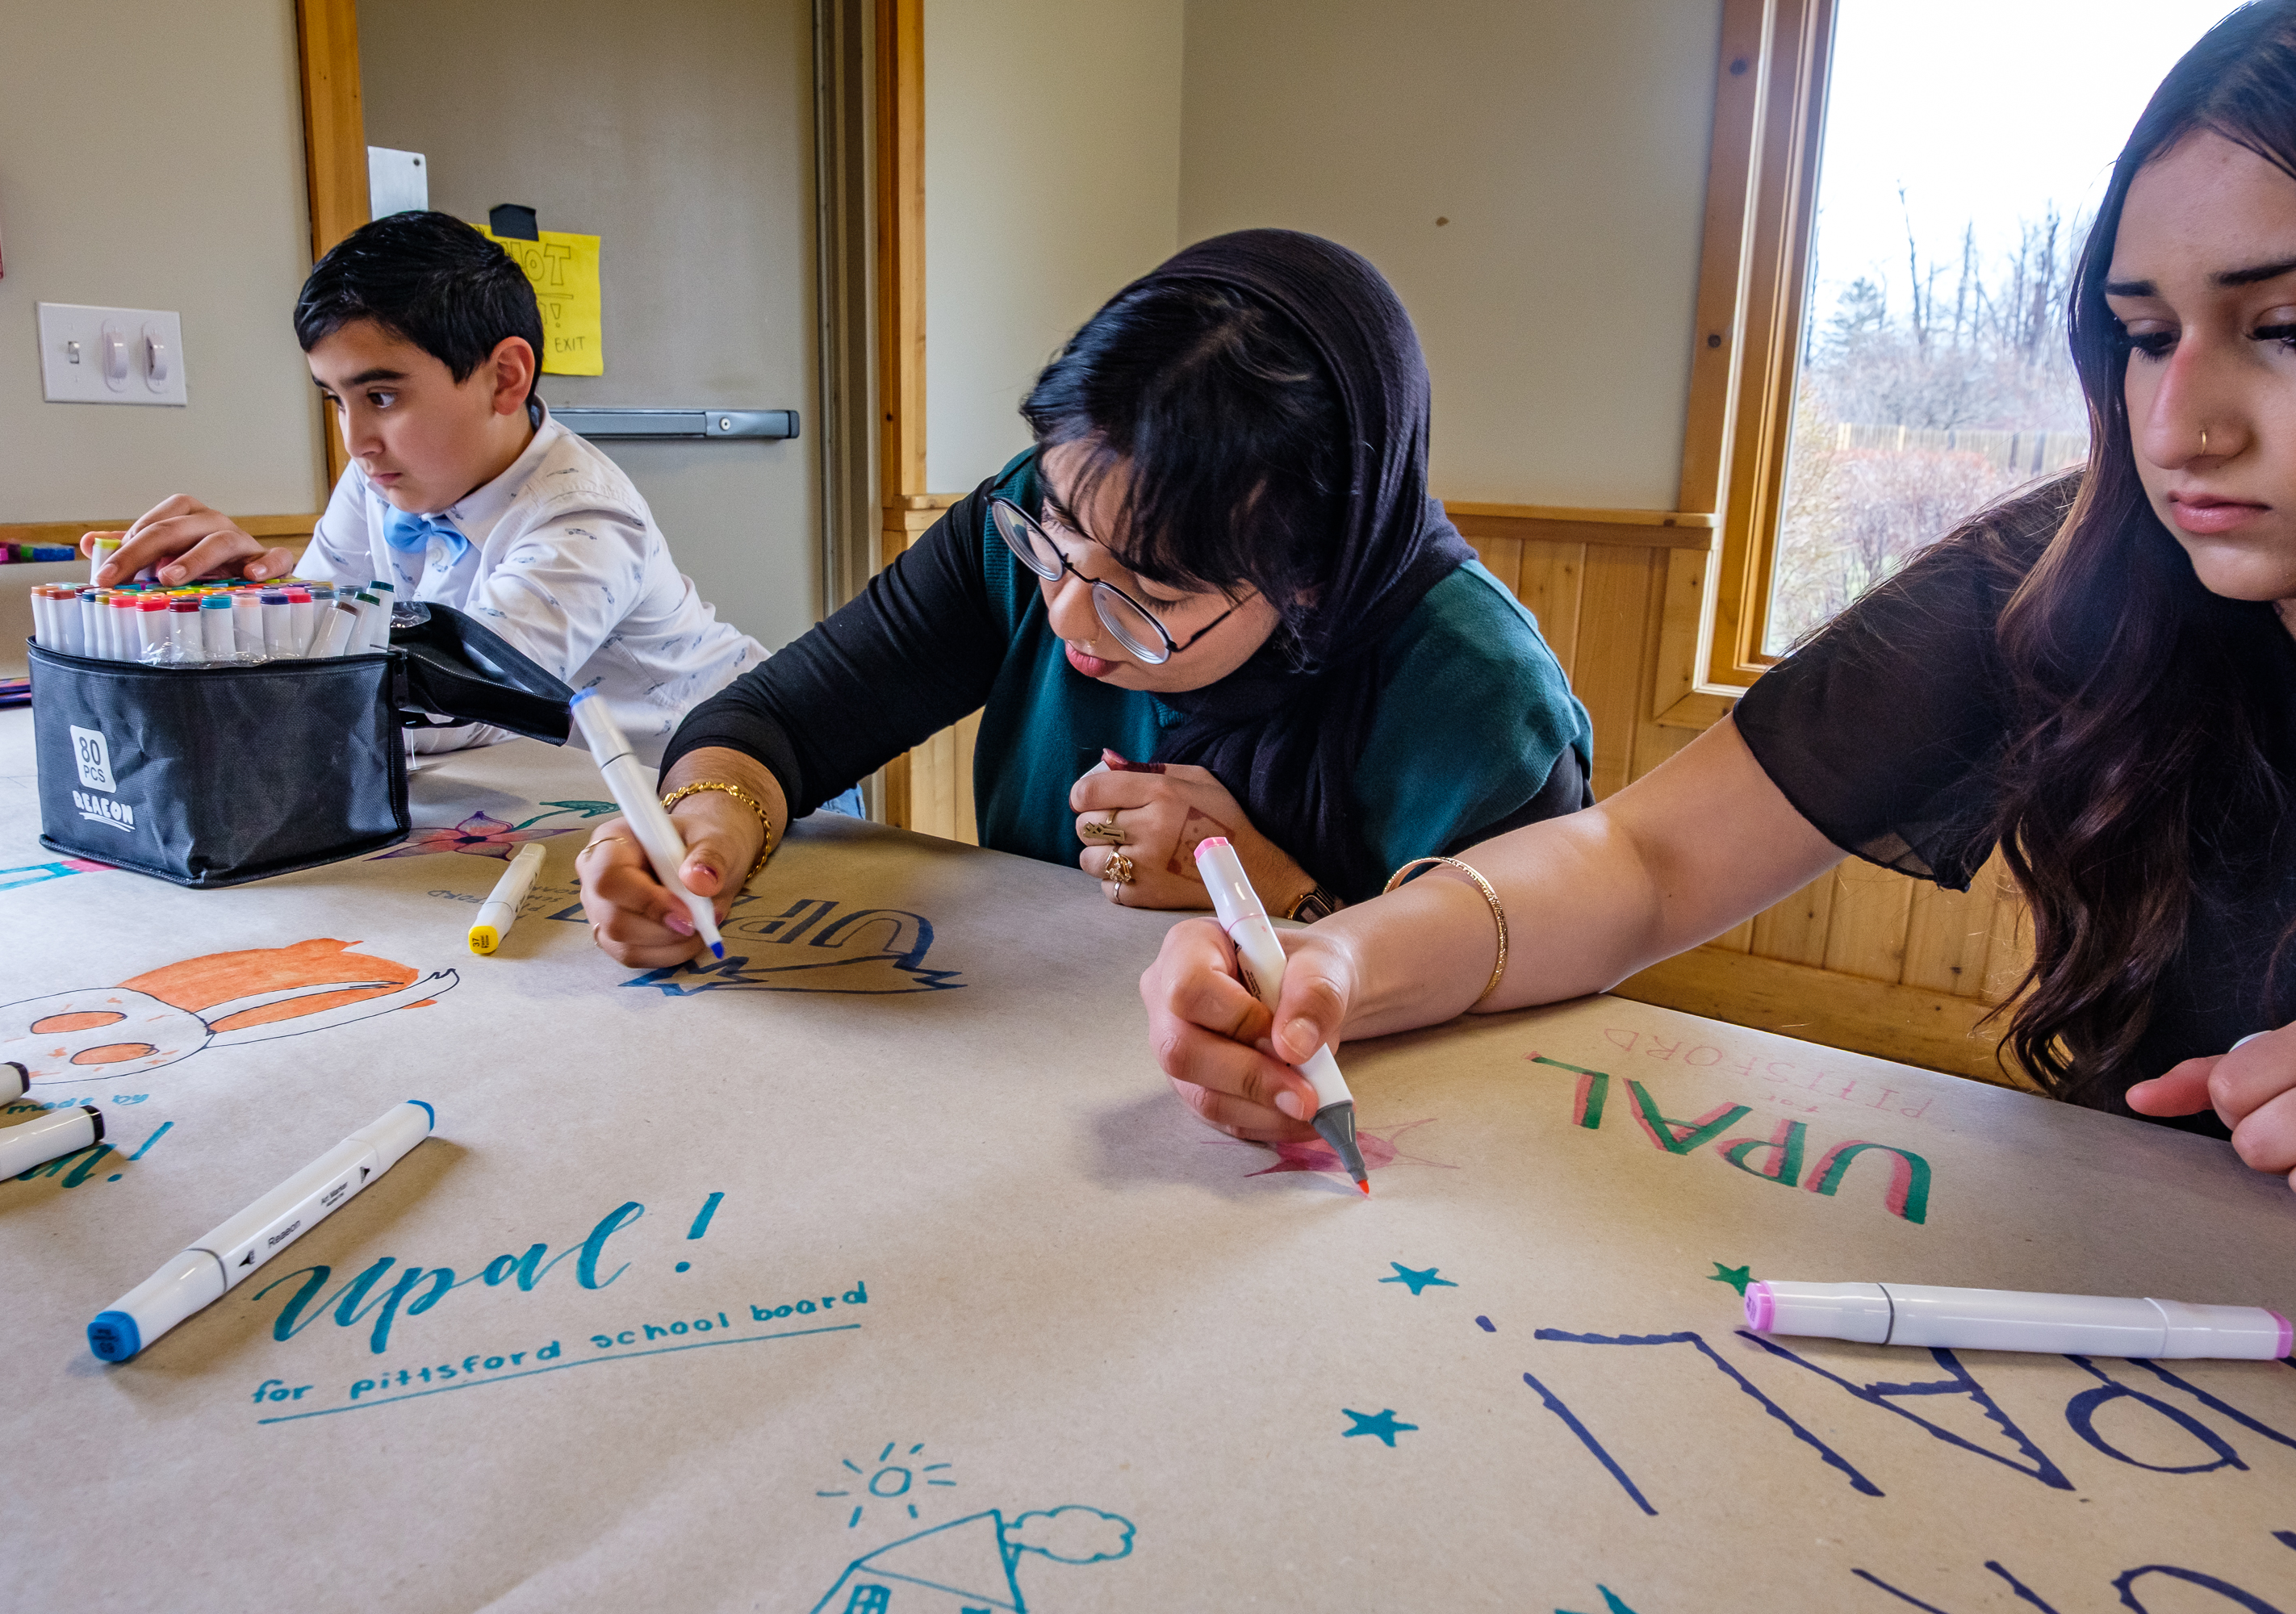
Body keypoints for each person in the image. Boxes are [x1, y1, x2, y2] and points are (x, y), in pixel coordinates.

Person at [1140, 0, 2296, 1191]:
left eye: (2285, 329)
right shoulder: (2065, 577)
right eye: (2146, 335)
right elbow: (1645, 861)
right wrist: (1338, 961)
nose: (2176, 429)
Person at [576, 230, 1593, 967]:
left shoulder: (1480, 699)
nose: (1064, 615)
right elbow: (778, 718)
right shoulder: (1037, 523)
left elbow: (1541, 989)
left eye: (1150, 590)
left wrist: (1283, 897)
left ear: (1312, 577)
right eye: (1058, 532)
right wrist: (705, 824)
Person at [79, 210, 765, 755]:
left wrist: (264, 640)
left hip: (724, 774)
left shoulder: (583, 518)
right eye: (334, 399)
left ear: (505, 377)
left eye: (380, 396)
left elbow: (463, 707)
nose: (355, 441)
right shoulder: (378, 476)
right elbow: (329, 633)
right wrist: (243, 599)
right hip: (559, 785)